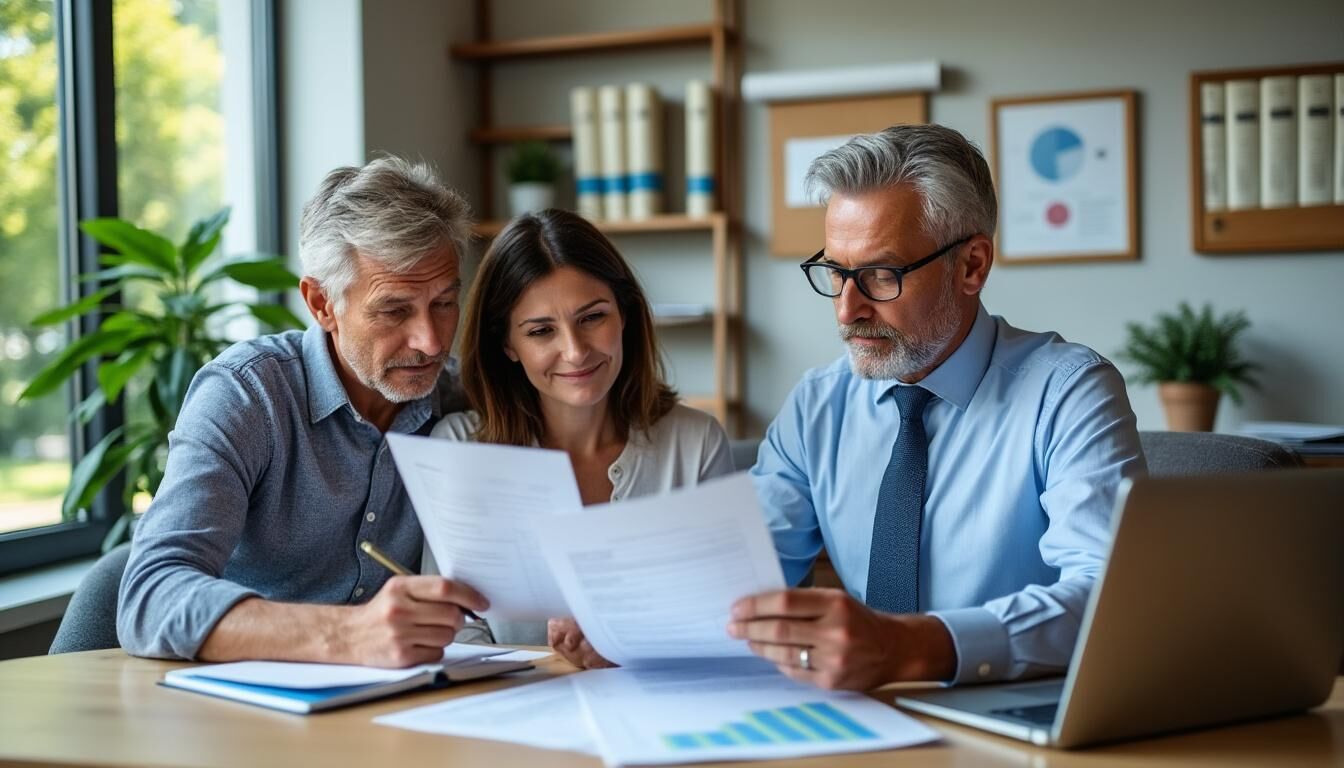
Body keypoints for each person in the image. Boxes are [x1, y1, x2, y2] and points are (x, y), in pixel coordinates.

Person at [729, 124, 1146, 690]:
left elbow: (1107, 596)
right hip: (862, 713)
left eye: (881, 275)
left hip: (1012, 709)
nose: (847, 310)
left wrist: (914, 648)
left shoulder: (1070, 392)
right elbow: (741, 570)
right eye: (836, 272)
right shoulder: (818, 404)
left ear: (972, 265)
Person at [118, 157, 490, 666]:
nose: (430, 342)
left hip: (399, 702)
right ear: (321, 304)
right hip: (242, 702)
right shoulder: (247, 396)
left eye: (444, 303)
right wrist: (349, 635)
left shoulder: (461, 400)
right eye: (394, 310)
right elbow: (149, 598)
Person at [429, 208, 734, 665]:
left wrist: (627, 649)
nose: (574, 351)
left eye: (592, 318)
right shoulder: (457, 451)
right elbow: (449, 630)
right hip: (512, 703)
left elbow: (722, 621)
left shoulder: (697, 445)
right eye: (541, 331)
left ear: (624, 314)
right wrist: (544, 667)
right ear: (508, 344)